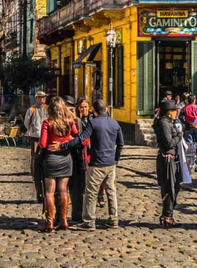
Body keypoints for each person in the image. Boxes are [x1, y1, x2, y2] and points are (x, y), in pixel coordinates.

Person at [57, 99, 124, 230]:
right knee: (111, 191)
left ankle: (88, 221)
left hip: (97, 163)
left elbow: (81, 139)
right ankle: (113, 219)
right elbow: (121, 143)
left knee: (91, 193)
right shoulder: (115, 123)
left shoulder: (93, 123)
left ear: (94, 110)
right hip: (110, 163)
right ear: (106, 109)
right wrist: (116, 159)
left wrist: (64, 145)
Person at [40, 97, 79, 231]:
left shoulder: (47, 122)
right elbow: (77, 135)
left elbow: (43, 143)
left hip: (51, 159)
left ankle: (49, 222)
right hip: (66, 158)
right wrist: (65, 142)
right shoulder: (69, 121)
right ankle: (63, 220)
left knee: (49, 192)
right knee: (63, 190)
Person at [153, 99, 182, 227]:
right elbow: (168, 142)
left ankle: (167, 214)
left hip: (171, 157)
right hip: (167, 158)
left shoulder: (169, 122)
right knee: (170, 187)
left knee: (174, 186)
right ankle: (167, 215)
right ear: (170, 112)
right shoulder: (164, 124)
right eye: (175, 110)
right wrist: (179, 136)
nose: (177, 112)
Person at [25, 91, 48, 186]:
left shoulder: (47, 108)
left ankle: (44, 174)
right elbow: (26, 122)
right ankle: (34, 175)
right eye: (40, 97)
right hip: (35, 136)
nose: (42, 99)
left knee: (45, 155)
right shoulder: (32, 109)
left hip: (45, 135)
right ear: (36, 98)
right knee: (35, 155)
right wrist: (32, 130)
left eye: (43, 97)